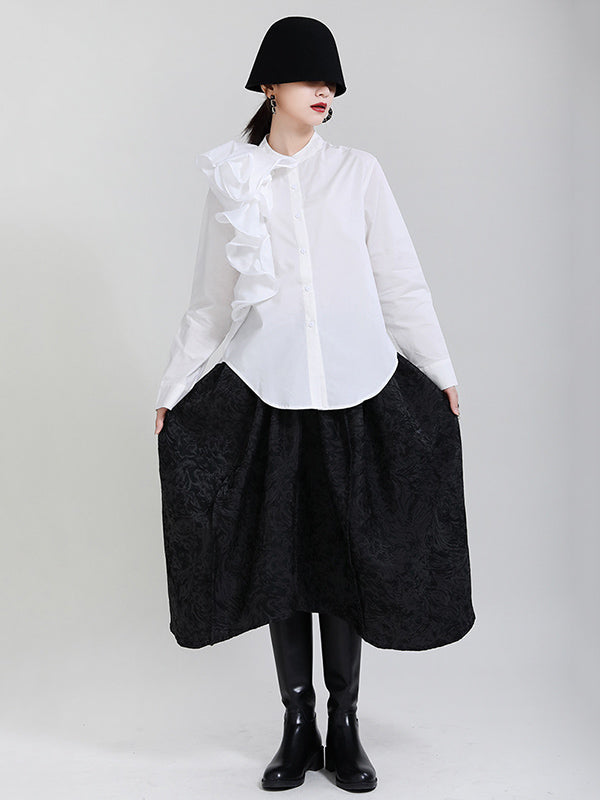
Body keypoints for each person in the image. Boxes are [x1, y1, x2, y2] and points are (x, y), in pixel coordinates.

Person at [154, 15, 476, 793]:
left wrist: (439, 369)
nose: (324, 90)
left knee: (341, 560)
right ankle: (296, 725)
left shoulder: (359, 173)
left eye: (331, 80)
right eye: (308, 77)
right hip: (269, 395)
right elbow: (211, 301)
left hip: (356, 392)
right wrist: (174, 387)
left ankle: (345, 723)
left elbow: (400, 280)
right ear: (270, 86)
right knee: (284, 564)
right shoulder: (235, 180)